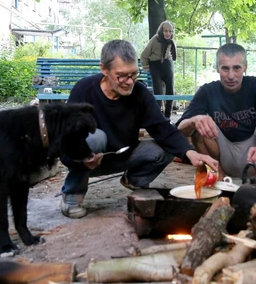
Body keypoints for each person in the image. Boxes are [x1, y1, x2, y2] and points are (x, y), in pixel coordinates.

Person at [60, 39, 218, 218]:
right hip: (89, 159)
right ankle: (72, 194)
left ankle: (134, 181)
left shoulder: (140, 93)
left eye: (134, 74)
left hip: (123, 155)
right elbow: (65, 139)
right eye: (121, 75)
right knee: (96, 138)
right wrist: (80, 158)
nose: (129, 82)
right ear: (104, 69)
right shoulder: (84, 90)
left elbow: (162, 128)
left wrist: (190, 153)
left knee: (164, 149)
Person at [176, 43, 256, 180]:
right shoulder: (207, 91)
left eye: (236, 68)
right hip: (221, 155)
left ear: (245, 67)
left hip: (253, 154)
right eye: (225, 68)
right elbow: (179, 130)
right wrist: (194, 121)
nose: (231, 76)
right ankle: (220, 180)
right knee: (199, 124)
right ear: (218, 68)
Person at [141, 21, 177, 119]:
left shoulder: (170, 41)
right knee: (158, 91)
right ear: (162, 31)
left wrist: (169, 59)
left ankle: (168, 116)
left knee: (170, 89)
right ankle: (158, 117)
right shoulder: (155, 40)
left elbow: (171, 53)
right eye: (165, 31)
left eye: (170, 31)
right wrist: (146, 67)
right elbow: (144, 55)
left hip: (166, 63)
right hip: (155, 64)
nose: (168, 33)